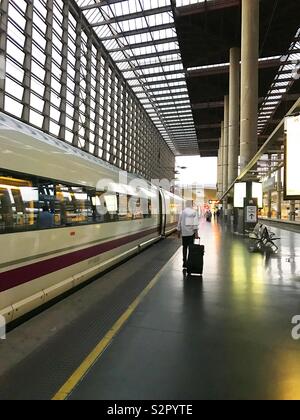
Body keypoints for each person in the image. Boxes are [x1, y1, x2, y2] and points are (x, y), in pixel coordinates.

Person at [177, 200, 199, 269]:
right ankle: (189, 262)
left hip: (184, 234)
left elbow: (179, 223)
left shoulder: (182, 212)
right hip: (191, 233)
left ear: (186, 204)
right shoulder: (194, 212)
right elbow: (195, 224)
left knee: (184, 247)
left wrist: (178, 232)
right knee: (190, 248)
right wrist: (196, 234)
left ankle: (184, 262)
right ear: (191, 205)